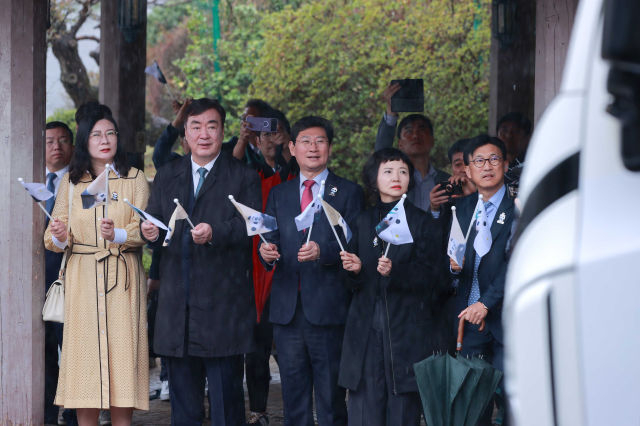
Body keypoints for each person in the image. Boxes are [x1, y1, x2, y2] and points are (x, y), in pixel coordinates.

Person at [141, 98, 261, 426]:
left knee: (227, 406)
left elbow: (254, 225)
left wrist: (215, 232)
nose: (204, 133)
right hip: (177, 308)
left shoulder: (242, 176)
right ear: (185, 134)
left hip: (224, 310)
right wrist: (148, 230)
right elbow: (156, 223)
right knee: (184, 410)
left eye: (212, 126)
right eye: (196, 126)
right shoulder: (168, 175)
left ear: (223, 131)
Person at [44, 103, 150, 425]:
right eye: (96, 134)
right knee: (84, 366)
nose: (105, 140)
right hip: (82, 280)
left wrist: (117, 233)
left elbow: (143, 229)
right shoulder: (72, 184)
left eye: (110, 133)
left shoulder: (134, 178)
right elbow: (53, 236)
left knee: (122, 362)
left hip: (122, 279)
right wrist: (60, 234)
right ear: (85, 140)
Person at [259, 116, 363, 426]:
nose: (313, 148)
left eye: (320, 141)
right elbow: (269, 238)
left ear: (330, 147)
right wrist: (267, 253)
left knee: (331, 397)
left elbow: (355, 242)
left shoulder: (347, 192)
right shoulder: (280, 194)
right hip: (288, 311)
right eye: (305, 141)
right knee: (294, 396)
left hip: (329, 309)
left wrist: (324, 252)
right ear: (291, 148)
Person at [338, 148, 444, 426]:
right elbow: (349, 282)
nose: (396, 177)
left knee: (402, 412)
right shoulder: (362, 221)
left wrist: (397, 272)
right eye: (388, 171)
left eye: (403, 171)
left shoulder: (422, 222)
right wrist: (356, 270)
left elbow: (436, 278)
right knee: (364, 411)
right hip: (365, 329)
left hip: (406, 331)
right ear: (374, 179)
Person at [449, 134, 515, 425]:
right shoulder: (461, 209)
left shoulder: (518, 208)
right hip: (469, 323)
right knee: (472, 408)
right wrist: (452, 268)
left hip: (506, 321)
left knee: (512, 405)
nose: (487, 166)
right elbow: (450, 258)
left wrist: (486, 303)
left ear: (505, 164)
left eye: (493, 159)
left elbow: (514, 264)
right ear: (468, 170)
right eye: (479, 161)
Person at [374, 83, 449, 212]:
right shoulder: (393, 178)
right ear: (400, 144)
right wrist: (391, 112)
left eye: (422, 129)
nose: (415, 135)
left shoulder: (445, 181)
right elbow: (380, 155)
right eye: (408, 131)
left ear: (432, 140)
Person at [43, 121, 74, 426]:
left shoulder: (77, 185)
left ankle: (76, 415)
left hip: (70, 281)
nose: (56, 146)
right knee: (44, 356)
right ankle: (48, 417)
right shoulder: (31, 183)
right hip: (34, 284)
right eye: (50, 141)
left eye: (63, 140)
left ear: (72, 148)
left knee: (74, 353)